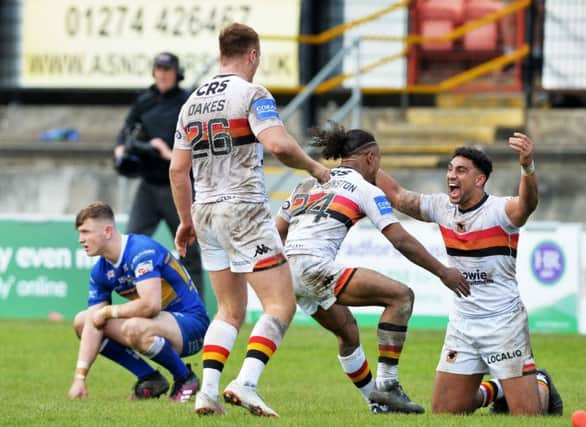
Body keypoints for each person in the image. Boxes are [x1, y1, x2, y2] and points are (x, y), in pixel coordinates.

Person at [169, 22, 331, 417]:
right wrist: (315, 168)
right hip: (242, 208)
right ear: (253, 55)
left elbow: (177, 169)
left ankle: (207, 393)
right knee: (280, 305)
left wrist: (185, 220)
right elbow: (276, 143)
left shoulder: (190, 103)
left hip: (205, 212)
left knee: (229, 310)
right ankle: (246, 383)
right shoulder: (252, 93)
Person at [273, 123, 470, 414]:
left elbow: (277, 232)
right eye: (378, 160)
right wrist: (443, 271)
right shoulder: (365, 188)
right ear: (370, 157)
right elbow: (399, 239)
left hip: (285, 272)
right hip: (314, 266)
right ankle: (388, 385)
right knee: (401, 296)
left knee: (348, 333)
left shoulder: (307, 183)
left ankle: (377, 403)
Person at [375, 132, 563, 416]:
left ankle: (541, 382)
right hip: (463, 323)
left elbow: (528, 205)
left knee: (527, 416)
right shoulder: (442, 207)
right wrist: (364, 167)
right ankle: (496, 390)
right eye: (450, 169)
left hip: (503, 323)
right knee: (446, 410)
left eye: (461, 170)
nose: (452, 175)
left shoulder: (500, 210)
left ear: (479, 179)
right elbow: (399, 197)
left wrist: (527, 166)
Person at [68, 201, 209, 402]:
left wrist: (109, 312)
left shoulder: (140, 251)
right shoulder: (100, 271)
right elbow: (93, 322)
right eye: (80, 233)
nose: (81, 239)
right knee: (83, 321)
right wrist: (79, 378)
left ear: (107, 231)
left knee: (134, 327)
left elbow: (151, 306)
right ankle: (150, 378)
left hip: (191, 324)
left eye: (86, 232)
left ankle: (185, 378)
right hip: (160, 323)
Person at [114, 52, 204, 296]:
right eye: (159, 69)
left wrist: (167, 153)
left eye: (168, 69)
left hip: (178, 185)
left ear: (177, 73)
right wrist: (121, 148)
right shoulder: (144, 100)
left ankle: (196, 315)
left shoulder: (187, 101)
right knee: (130, 246)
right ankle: (142, 306)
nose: (163, 74)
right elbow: (125, 131)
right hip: (148, 185)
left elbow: (198, 142)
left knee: (190, 253)